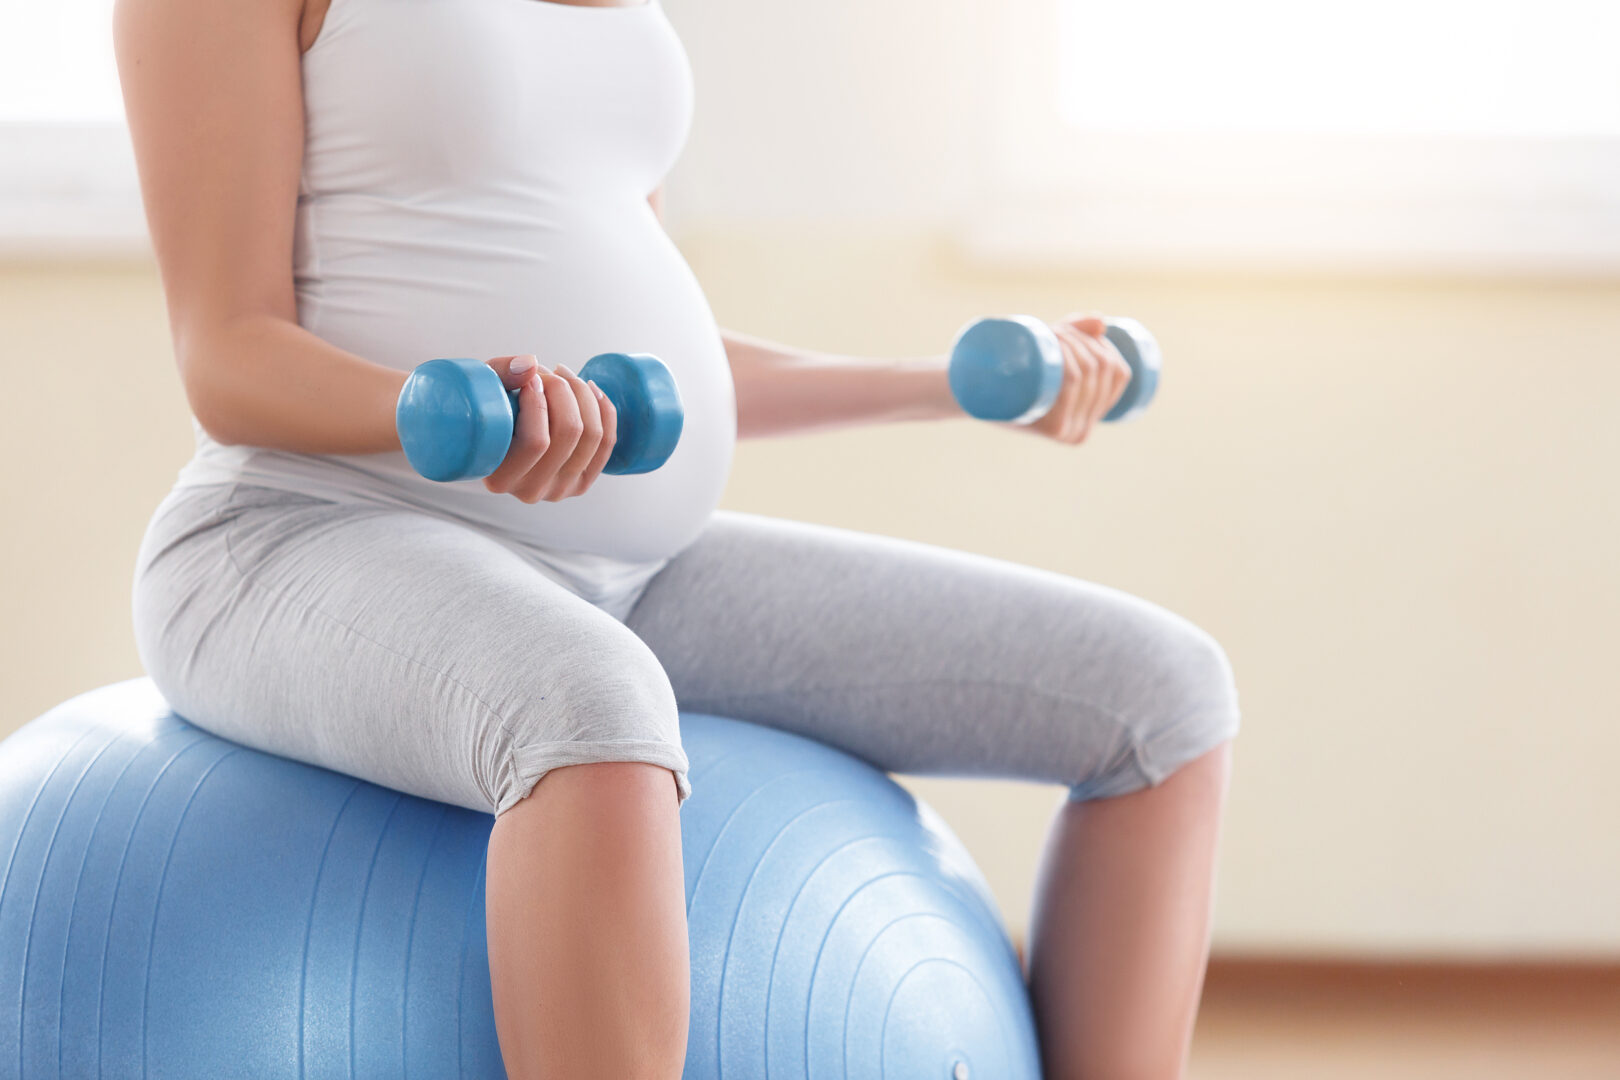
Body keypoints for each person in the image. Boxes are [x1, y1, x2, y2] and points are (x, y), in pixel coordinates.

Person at [113, 0, 1240, 1075]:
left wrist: (949, 384)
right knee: (590, 708)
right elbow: (229, 354)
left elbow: (663, 358)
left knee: (1159, 694)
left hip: (629, 576)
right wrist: (440, 404)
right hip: (300, 540)